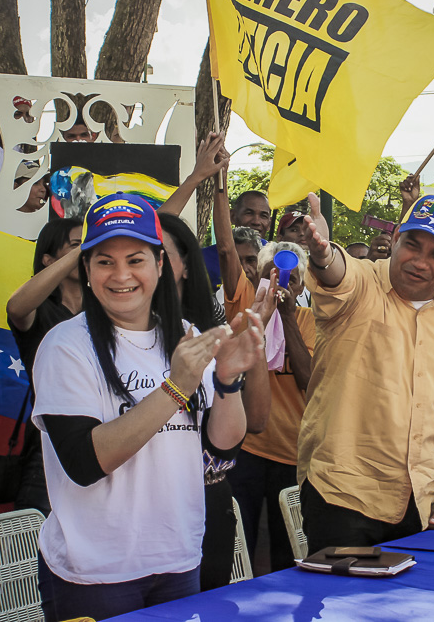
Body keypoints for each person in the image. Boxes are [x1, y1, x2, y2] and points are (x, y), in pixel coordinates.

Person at [31, 193, 264, 620]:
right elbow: (85, 463)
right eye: (105, 261)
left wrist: (229, 381)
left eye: (135, 259)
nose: (121, 275)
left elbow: (220, 454)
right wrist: (174, 388)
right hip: (95, 573)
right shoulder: (65, 346)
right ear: (86, 270)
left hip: (177, 559)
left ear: (160, 265)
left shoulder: (187, 335)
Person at [296, 193, 434, 552]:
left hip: (418, 504)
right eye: (412, 245)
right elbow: (336, 275)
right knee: (342, 606)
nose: (419, 262)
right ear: (396, 239)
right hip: (340, 497)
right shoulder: (363, 282)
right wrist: (323, 254)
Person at [158, 212, 253, 592]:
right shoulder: (87, 342)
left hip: (207, 502)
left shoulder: (206, 334)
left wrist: (232, 380)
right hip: (134, 521)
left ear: (185, 266)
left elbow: (225, 449)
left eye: (159, 254)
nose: (148, 264)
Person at [228, 241, 315, 572]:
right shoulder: (245, 314)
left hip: (293, 454)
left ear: (303, 286)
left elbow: (309, 379)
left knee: (288, 550)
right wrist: (263, 316)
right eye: (274, 276)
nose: (282, 285)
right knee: (241, 542)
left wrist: (288, 316)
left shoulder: (311, 320)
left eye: (291, 279)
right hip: (247, 449)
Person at [6, 218, 84, 515]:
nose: (87, 250)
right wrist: (83, 250)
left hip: (99, 440)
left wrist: (194, 180)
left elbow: (142, 232)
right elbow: (16, 307)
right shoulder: (42, 312)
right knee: (37, 545)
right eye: (76, 244)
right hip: (47, 446)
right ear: (49, 260)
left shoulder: (102, 311)